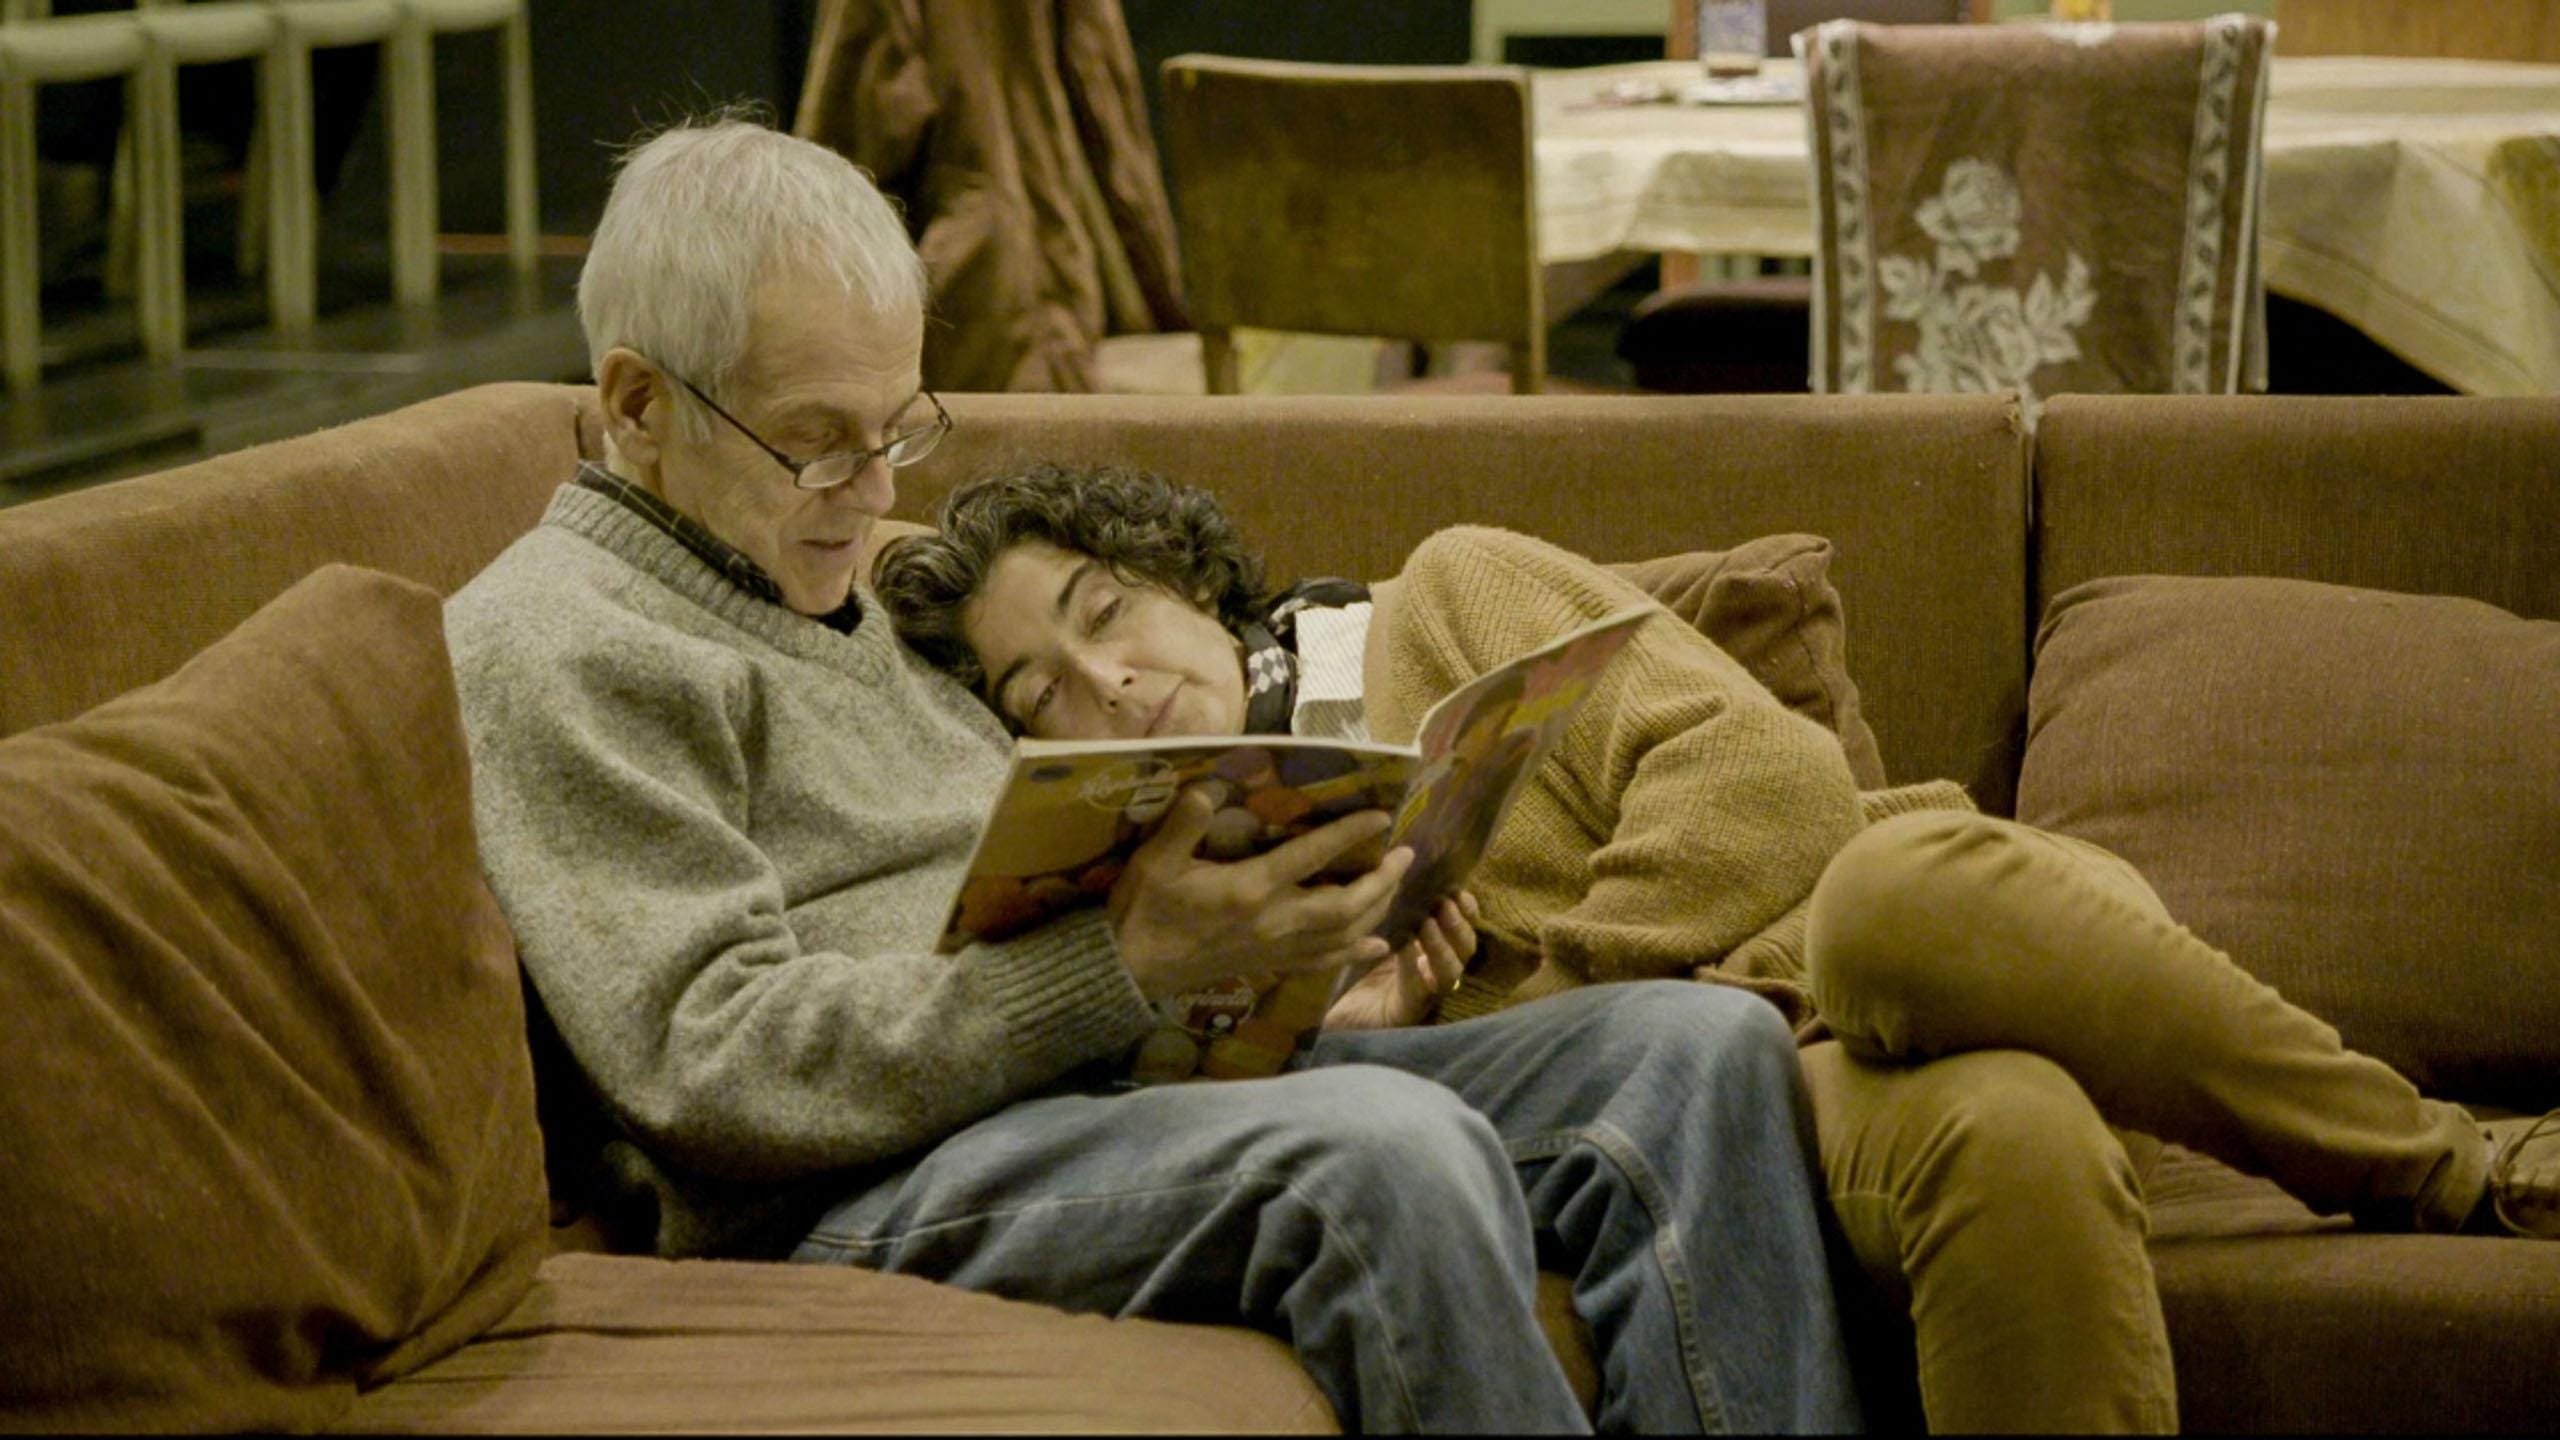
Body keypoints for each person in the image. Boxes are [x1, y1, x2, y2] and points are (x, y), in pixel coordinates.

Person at [442, 116, 1865, 1435]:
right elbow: (710, 1067)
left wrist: (1263, 956)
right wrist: (1120, 963)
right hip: (850, 1185)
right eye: (818, 442)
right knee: (1382, 1153)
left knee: (1695, 1056)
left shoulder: (826, 582)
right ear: (637, 402)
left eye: (898, 429)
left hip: (1096, 1094)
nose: (876, 494)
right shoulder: (558, 641)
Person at [872, 460, 2560, 1435]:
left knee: (1896, 898)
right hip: (1777, 1100)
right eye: (1040, 690)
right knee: (2014, 1140)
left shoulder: (1441, 600)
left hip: (1896, 956)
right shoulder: (1145, 902)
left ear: (1174, 570)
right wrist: (1382, 1026)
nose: (1106, 684)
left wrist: (1560, 985)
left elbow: (1770, 785)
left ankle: (2445, 1164)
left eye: (1103, 615)